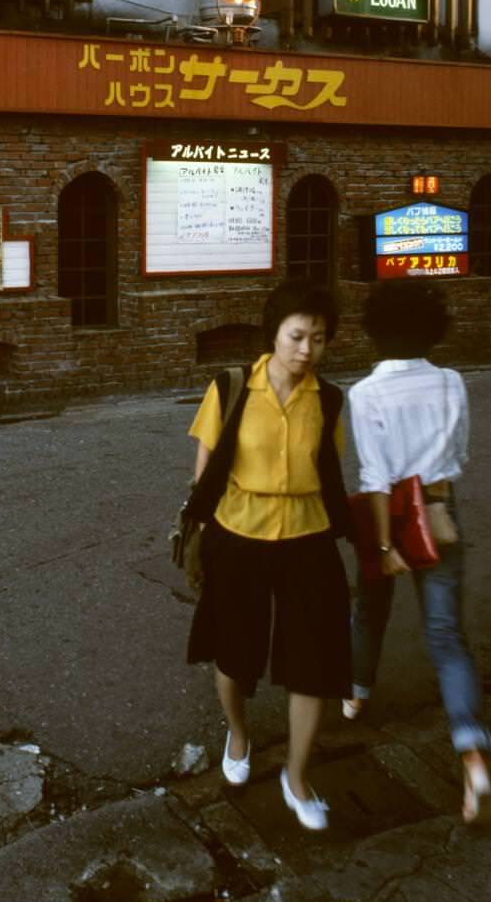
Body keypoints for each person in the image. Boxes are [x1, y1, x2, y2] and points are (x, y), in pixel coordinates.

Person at [185, 280, 353, 832]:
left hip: (309, 538)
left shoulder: (329, 400)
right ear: (274, 335)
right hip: (240, 534)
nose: (307, 350)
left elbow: (331, 471)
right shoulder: (232, 386)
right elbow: (205, 469)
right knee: (233, 655)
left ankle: (297, 776)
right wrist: (203, 536)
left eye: (319, 339)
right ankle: (239, 732)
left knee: (314, 662)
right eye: (297, 336)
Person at [342, 278, 491, 826]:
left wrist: (385, 545)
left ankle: (357, 695)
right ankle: (473, 753)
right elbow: (459, 454)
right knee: (447, 636)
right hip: (438, 512)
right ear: (433, 328)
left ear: (374, 331)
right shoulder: (453, 381)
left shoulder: (364, 393)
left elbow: (375, 474)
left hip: (387, 515)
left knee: (370, 607)